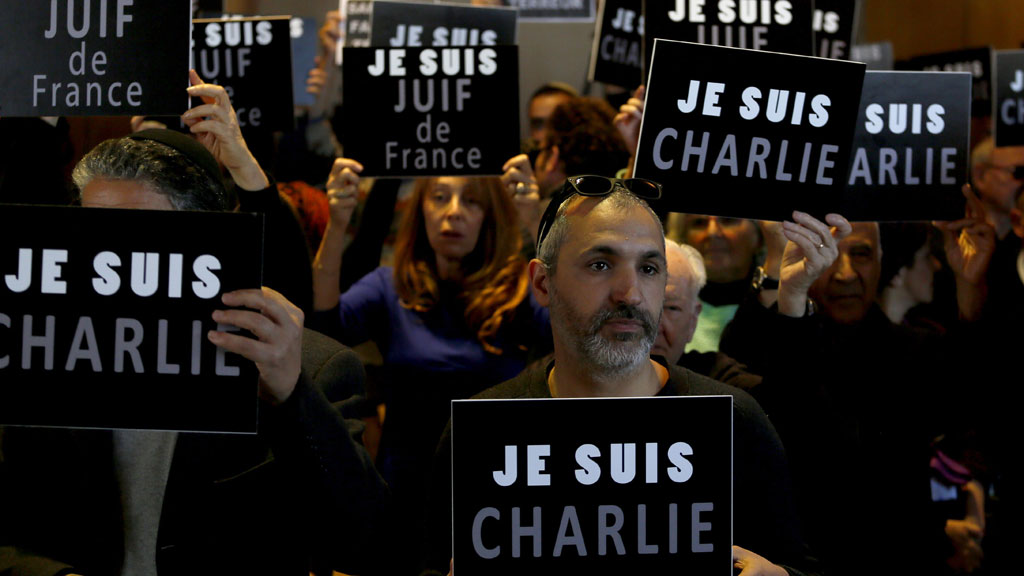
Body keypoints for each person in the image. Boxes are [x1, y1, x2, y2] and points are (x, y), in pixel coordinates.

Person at [0, 77, 389, 576]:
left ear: (207, 244)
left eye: (139, 240)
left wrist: (292, 398)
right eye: (95, 235)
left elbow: (366, 542)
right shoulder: (42, 358)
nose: (110, 263)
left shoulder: (309, 369)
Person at [422, 178, 821, 576]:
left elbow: (797, 563)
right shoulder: (480, 432)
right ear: (543, 283)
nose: (629, 293)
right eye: (600, 264)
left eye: (648, 268)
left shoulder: (735, 422)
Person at [719, 188, 996, 575]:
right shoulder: (769, 342)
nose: (845, 273)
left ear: (883, 263)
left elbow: (977, 408)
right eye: (829, 253)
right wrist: (781, 277)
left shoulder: (918, 352)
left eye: (861, 254)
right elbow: (748, 366)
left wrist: (972, 285)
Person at [311, 161, 552, 573]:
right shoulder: (390, 286)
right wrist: (337, 226)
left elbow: (569, 334)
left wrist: (535, 228)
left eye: (471, 201)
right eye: (439, 197)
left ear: (490, 215)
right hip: (405, 492)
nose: (453, 211)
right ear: (420, 209)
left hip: (495, 492)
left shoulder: (518, 289)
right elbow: (323, 329)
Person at [652, 239, 762, 390]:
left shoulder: (715, 376)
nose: (653, 326)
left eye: (671, 308)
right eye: (633, 308)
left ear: (693, 321)